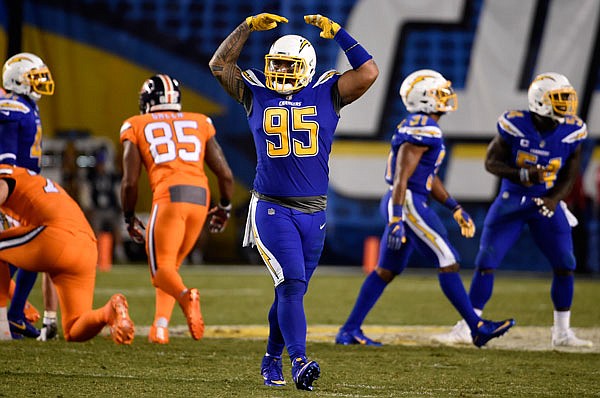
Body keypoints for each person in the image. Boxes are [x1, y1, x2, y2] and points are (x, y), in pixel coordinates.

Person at [209, 13, 378, 391]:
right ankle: (299, 360)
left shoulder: (327, 91)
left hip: (313, 212)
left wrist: (337, 33)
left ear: (308, 68)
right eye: (276, 64)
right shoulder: (256, 91)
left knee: (292, 291)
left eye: (289, 65)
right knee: (291, 285)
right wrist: (247, 27)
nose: (280, 72)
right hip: (271, 208)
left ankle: (271, 358)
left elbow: (368, 71)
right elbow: (220, 64)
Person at [335, 69, 515, 349]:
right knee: (448, 259)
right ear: (423, 99)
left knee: (386, 269)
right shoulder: (423, 127)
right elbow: (401, 178)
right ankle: (476, 327)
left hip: (406, 200)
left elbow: (427, 177)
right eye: (438, 92)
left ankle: (349, 330)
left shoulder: (422, 125)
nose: (446, 96)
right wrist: (397, 218)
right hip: (406, 202)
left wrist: (454, 206)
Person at [433, 72, 593, 348]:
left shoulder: (573, 130)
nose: (566, 104)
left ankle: (562, 332)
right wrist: (522, 174)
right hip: (513, 201)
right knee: (486, 262)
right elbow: (491, 162)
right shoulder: (516, 124)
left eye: (567, 98)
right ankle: (467, 325)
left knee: (566, 264)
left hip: (546, 203)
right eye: (559, 98)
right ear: (539, 101)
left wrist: (554, 199)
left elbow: (570, 173)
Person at [120, 74, 234, 345]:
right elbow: (226, 175)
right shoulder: (200, 121)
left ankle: (186, 298)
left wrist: (128, 215)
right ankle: (160, 328)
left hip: (170, 195)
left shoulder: (136, 124)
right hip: (200, 196)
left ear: (148, 101)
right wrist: (225, 207)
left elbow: (129, 182)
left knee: (161, 271)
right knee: (171, 267)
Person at [0, 165, 134, 343]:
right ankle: (107, 312)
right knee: (74, 329)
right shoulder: (33, 180)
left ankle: (2, 325)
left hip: (57, 236)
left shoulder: (6, 173)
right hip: (86, 245)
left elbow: (3, 186)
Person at [0, 52, 59, 340]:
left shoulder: (26, 105)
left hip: (25, 188)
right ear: (17, 81)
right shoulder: (12, 107)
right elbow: (6, 162)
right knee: (16, 253)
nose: (41, 83)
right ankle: (12, 315)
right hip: (10, 188)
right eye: (34, 78)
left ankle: (15, 315)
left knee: (36, 251)